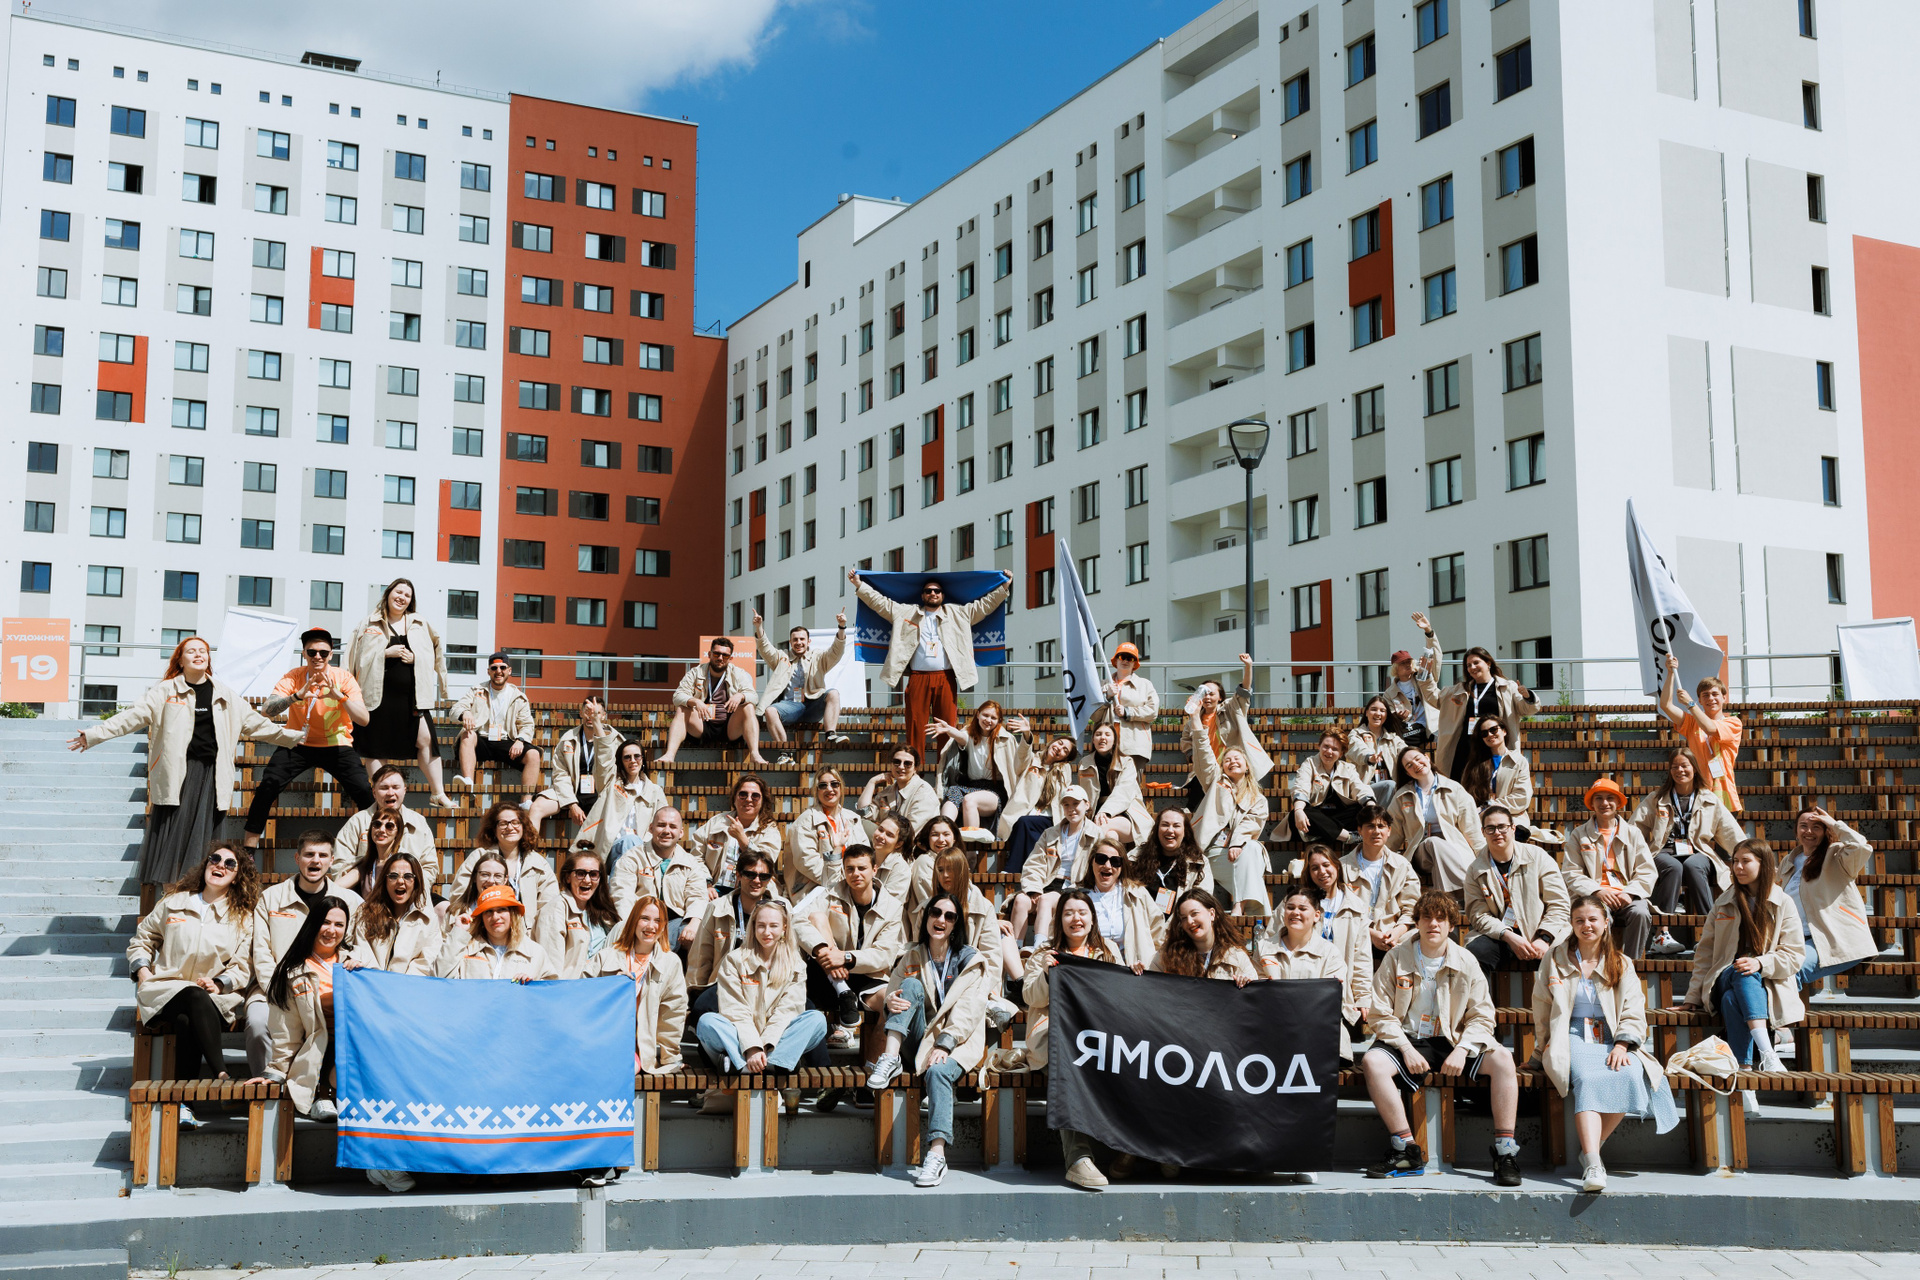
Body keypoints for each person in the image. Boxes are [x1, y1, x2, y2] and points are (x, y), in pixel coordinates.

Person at [71, 636, 302, 886]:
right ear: (180, 660)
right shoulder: (165, 691)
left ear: (208, 659)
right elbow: (131, 717)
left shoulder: (224, 694)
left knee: (205, 841)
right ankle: (172, 896)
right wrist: (94, 735)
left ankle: (199, 893)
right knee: (174, 841)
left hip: (213, 776)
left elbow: (258, 725)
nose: (198, 654)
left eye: (203, 651)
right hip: (178, 774)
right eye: (191, 651)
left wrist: (295, 737)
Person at [1361, 891, 1522, 1186]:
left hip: (1453, 1039)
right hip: (1408, 1038)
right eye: (1426, 917)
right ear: (1417, 922)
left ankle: (1505, 1152)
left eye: (1440, 918)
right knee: (1372, 1061)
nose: (1433, 923)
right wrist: (1405, 1048)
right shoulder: (1396, 957)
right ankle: (1406, 1150)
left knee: (1502, 1058)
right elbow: (1380, 1013)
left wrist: (1463, 1049)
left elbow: (1483, 1015)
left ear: (1451, 925)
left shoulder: (1466, 960)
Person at [1533, 894, 1678, 1194]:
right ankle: (1593, 1165)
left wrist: (1623, 1044)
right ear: (1571, 924)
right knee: (1587, 1078)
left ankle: (1592, 1148)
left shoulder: (1620, 962)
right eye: (1579, 920)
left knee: (1630, 1074)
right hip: (1571, 1034)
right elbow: (1542, 1006)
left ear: (1606, 922)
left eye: (1592, 919)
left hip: (1612, 1036)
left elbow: (1634, 1009)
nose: (1586, 925)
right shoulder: (1555, 958)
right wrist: (1540, 1050)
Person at [865, 891, 994, 1188]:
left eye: (949, 916)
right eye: (936, 912)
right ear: (926, 917)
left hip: (956, 1042)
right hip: (918, 1040)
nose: (941, 920)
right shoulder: (912, 954)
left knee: (937, 1072)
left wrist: (944, 1043)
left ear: (956, 924)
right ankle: (891, 1058)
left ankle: (937, 1155)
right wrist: (891, 1001)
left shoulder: (971, 960)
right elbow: (894, 993)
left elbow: (969, 1011)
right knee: (909, 985)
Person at [128, 842, 258, 1122]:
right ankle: (221, 1075)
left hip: (214, 997)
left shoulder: (243, 917)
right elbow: (142, 939)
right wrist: (142, 971)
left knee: (187, 1019)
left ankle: (184, 1106)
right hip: (166, 989)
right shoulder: (174, 902)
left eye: (230, 864)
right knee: (191, 995)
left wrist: (220, 983)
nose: (220, 865)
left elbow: (244, 964)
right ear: (206, 864)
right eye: (215, 859)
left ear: (237, 876)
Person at [1675, 840, 1800, 1109]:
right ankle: (1767, 1052)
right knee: (1741, 971)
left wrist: (1761, 963)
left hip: (1767, 982)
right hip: (1724, 976)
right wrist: (1693, 996)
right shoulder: (1724, 901)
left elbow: (1794, 955)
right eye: (1735, 861)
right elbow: (1705, 954)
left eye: (1746, 861)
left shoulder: (1783, 902)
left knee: (1732, 999)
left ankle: (1744, 1077)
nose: (1738, 867)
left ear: (1763, 864)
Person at [1020, 889, 1126, 1190]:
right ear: (1059, 920)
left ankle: (1133, 1150)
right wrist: (1047, 974)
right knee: (1067, 1063)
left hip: (1098, 1039)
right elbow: (1030, 997)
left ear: (1092, 919)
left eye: (1082, 912)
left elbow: (1120, 997)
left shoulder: (1107, 951)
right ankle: (1078, 1159)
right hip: (1054, 1041)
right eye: (1068, 913)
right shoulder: (1043, 953)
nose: (1075, 919)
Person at [850, 569, 1013, 757]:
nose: (933, 593)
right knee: (915, 725)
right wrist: (859, 584)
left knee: (947, 725)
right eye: (928, 591)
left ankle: (945, 768)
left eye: (937, 591)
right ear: (922, 595)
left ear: (943, 595)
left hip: (946, 677)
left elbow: (984, 606)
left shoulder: (958, 613)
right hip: (918, 677)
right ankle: (913, 768)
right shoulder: (906, 612)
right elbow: (880, 603)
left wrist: (1004, 586)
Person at [243, 630, 374, 853]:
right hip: (297, 743)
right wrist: (296, 696)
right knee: (267, 786)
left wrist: (340, 696)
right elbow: (266, 711)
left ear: (331, 654)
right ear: (304, 653)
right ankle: (248, 853)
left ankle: (375, 850)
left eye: (323, 652)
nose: (317, 656)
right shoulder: (294, 676)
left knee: (364, 791)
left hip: (337, 744)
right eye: (312, 652)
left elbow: (364, 719)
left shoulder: (343, 678)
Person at [247, 831, 362, 1077]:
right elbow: (261, 951)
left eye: (322, 855)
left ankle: (323, 1084)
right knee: (258, 1024)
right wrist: (277, 987)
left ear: (332, 861)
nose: (315, 860)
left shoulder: (350, 901)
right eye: (309, 854)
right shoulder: (271, 898)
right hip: (274, 987)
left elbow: (357, 946)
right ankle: (269, 1086)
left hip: (325, 987)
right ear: (297, 858)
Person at [695, 899, 829, 1086]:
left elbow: (788, 1011)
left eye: (773, 926)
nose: (767, 932)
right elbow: (734, 1009)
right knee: (707, 1022)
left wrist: (764, 1046)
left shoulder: (796, 964)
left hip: (775, 1041)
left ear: (784, 928)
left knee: (817, 1020)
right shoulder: (734, 960)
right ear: (753, 927)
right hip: (740, 1037)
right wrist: (752, 1047)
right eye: (761, 926)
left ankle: (750, 1065)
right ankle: (771, 1065)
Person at [346, 577, 453, 808]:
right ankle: (382, 798)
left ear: (411, 600)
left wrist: (416, 658)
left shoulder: (420, 623)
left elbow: (435, 655)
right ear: (388, 594)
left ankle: (438, 794)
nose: (402, 597)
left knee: (426, 740)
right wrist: (385, 653)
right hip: (376, 696)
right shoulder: (369, 623)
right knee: (376, 748)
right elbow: (355, 658)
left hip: (412, 697)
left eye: (407, 595)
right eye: (398, 592)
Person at [1630, 747, 1744, 956]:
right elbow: (1634, 830)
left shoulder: (1709, 799)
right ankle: (1661, 935)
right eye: (1675, 767)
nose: (1679, 770)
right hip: (1663, 851)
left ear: (1694, 768)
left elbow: (1730, 832)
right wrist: (1633, 857)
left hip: (1698, 851)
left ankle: (1711, 934)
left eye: (1684, 766)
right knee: (1673, 867)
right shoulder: (1657, 798)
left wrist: (1749, 856)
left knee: (1693, 866)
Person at [796, 844, 905, 1052]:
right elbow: (798, 922)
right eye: (850, 869)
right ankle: (842, 989)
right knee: (816, 917)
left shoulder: (892, 906)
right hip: (827, 974)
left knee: (892, 1004)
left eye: (862, 868)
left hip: (868, 974)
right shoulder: (829, 894)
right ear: (844, 870)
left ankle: (874, 1066)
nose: (856, 874)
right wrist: (824, 951)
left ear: (874, 870)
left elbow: (884, 955)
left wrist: (846, 957)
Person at [257, 897, 352, 1121]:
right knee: (328, 1037)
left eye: (339, 925)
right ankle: (323, 1095)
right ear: (313, 923)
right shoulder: (292, 971)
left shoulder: (355, 961)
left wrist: (362, 973)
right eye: (325, 922)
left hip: (355, 1045)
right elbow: (286, 1030)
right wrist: (276, 1071)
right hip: (320, 1049)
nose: (332, 930)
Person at [1462, 807, 1570, 987]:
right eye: (1490, 828)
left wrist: (1544, 939)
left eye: (1502, 827)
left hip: (1542, 931)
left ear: (1513, 828)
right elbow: (1478, 915)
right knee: (1474, 953)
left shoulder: (1537, 857)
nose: (1497, 832)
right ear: (1483, 832)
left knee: (1567, 954)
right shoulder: (1475, 870)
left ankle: (1561, 1005)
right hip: (1502, 935)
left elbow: (1559, 904)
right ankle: (1481, 1005)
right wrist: (1508, 936)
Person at [1186, 696, 1271, 917]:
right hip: (1211, 851)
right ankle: (1259, 921)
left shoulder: (1258, 799)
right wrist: (1195, 718)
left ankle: (1239, 907)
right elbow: (1204, 753)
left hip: (1238, 852)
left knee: (1252, 848)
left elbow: (1251, 825)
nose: (1232, 761)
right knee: (1253, 878)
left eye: (1237, 759)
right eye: (1227, 760)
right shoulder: (1215, 781)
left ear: (1247, 767)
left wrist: (1236, 843)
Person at [588, 895, 689, 1078]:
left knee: (622, 1071)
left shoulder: (670, 963)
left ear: (664, 925)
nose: (651, 926)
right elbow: (583, 999)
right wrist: (610, 987)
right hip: (602, 1042)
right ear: (634, 921)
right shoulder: (605, 957)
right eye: (645, 918)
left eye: (657, 920)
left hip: (637, 1050)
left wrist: (669, 1058)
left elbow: (672, 1016)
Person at [448, 803, 560, 966]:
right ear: (494, 829)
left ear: (523, 827)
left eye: (515, 822)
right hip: (483, 936)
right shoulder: (478, 857)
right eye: (503, 823)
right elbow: (459, 897)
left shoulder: (538, 863)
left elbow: (549, 907)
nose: (510, 827)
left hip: (526, 938)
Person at [1260, 887, 1360, 1066]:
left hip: (1318, 1036)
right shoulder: (1263, 948)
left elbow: (1328, 1003)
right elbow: (1256, 994)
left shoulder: (1330, 953)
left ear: (1316, 915)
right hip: (1273, 1031)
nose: (1295, 912)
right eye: (1290, 907)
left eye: (1302, 908)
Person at [1782, 807, 1878, 993]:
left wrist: (1834, 824)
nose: (1809, 831)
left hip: (1832, 939)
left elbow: (1861, 846)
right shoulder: (1789, 861)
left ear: (1826, 831)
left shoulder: (1837, 855)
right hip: (1796, 938)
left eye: (1816, 827)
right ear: (1796, 831)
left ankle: (1779, 1014)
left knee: (1788, 971)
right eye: (1803, 826)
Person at [913, 847, 1023, 998]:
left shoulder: (984, 908)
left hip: (974, 987)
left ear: (962, 871)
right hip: (933, 985)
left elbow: (991, 960)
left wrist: (981, 993)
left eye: (950, 869)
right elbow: (918, 953)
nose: (945, 875)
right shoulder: (926, 909)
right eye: (940, 870)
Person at [1564, 779, 1656, 959]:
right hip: (1594, 896)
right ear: (1591, 803)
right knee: (1596, 916)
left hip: (1626, 895)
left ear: (1618, 803)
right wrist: (1596, 891)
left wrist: (1630, 893)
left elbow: (1647, 870)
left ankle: (1631, 963)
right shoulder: (1579, 834)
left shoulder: (1633, 833)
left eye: (1610, 798)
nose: (1604, 803)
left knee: (1640, 912)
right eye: (1598, 798)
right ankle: (1600, 962)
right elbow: (1571, 872)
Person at [753, 608, 853, 762]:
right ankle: (785, 754)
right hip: (790, 706)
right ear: (790, 642)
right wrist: (759, 627)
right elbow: (765, 648)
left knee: (833, 693)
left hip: (813, 705)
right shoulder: (782, 657)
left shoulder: (818, 656)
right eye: (795, 640)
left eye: (802, 639)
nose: (798, 642)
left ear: (808, 642)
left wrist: (841, 627)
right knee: (770, 711)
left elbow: (836, 651)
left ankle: (831, 735)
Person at [1298, 846, 1375, 1039]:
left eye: (1326, 865)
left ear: (1337, 867)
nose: (1322, 872)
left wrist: (1362, 997)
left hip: (1340, 994)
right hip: (1304, 988)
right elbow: (1273, 939)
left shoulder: (1356, 906)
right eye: (1314, 868)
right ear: (1309, 873)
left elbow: (1362, 957)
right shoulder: (1297, 903)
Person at [330, 766, 441, 900]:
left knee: (443, 907)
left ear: (404, 790)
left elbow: (430, 867)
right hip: (364, 894)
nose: (390, 792)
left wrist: (412, 890)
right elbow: (340, 865)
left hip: (410, 892)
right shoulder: (358, 821)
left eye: (395, 787)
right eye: (384, 788)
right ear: (374, 792)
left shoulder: (419, 822)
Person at [1433, 640, 1537, 782]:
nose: (1472, 667)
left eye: (1476, 662)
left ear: (1488, 663)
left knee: (1494, 784)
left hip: (1494, 743)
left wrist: (1527, 696)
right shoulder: (1459, 689)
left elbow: (1527, 709)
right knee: (1462, 785)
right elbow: (1433, 697)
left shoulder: (1507, 687)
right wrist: (1425, 673)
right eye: (1468, 665)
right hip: (1466, 746)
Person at [1385, 745, 1484, 893]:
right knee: (1434, 842)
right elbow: (1393, 834)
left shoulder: (1455, 789)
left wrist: (1484, 858)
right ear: (1407, 773)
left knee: (1440, 848)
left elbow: (1471, 828)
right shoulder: (1402, 796)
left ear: (1427, 758)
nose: (1416, 765)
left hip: (1454, 846)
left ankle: (1446, 898)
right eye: (1409, 765)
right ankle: (1467, 891)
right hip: (1421, 852)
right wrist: (1379, 858)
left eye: (1417, 759)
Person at [1177, 653, 1274, 805]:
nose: (1207, 697)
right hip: (1208, 766)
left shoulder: (1230, 708)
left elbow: (1244, 691)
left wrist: (1248, 666)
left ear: (1220, 697)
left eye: (1211, 694)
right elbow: (1186, 741)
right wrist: (1193, 756)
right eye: (1204, 694)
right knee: (1199, 790)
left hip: (1230, 765)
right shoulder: (1193, 720)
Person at [687, 850, 786, 997]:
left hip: (770, 984)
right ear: (738, 875)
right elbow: (701, 957)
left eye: (764, 876)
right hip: (726, 984)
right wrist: (694, 993)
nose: (757, 881)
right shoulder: (717, 908)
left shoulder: (783, 908)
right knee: (702, 1006)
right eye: (750, 874)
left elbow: (791, 953)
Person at [610, 807, 711, 948]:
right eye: (661, 825)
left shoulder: (691, 863)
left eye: (673, 827)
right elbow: (622, 896)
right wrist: (633, 927)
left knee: (697, 935)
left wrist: (694, 924)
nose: (666, 831)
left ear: (681, 832)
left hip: (675, 924)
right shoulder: (632, 858)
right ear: (651, 828)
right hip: (639, 922)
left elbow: (697, 897)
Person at [1658, 651, 1743, 815]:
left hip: (1724, 796)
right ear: (1700, 700)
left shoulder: (1733, 723)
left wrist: (1690, 704)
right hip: (1698, 794)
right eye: (1706, 695)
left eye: (1715, 694)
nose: (1711, 698)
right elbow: (1666, 706)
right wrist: (1670, 673)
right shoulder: (1692, 723)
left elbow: (1710, 728)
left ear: (1724, 698)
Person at [450, 653, 542, 803]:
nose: (498, 671)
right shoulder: (477, 690)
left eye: (502, 667)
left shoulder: (518, 696)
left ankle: (526, 802)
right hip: (481, 741)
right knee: (467, 734)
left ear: (509, 671)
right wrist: (465, 712)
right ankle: (468, 783)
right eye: (494, 668)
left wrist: (520, 740)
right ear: (488, 671)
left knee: (533, 755)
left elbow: (527, 724)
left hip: (506, 742)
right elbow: (455, 710)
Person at [662, 636, 765, 766]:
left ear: (730, 658)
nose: (720, 658)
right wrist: (695, 701)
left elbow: (754, 697)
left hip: (730, 726)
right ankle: (669, 755)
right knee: (682, 709)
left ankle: (755, 754)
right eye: (716, 654)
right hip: (702, 724)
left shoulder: (738, 673)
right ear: (709, 654)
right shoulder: (696, 672)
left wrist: (741, 696)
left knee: (748, 706)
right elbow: (677, 696)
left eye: (725, 655)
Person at [928, 701, 1030, 831]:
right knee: (953, 792)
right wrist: (949, 729)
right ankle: (942, 831)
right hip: (972, 786)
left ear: (999, 721)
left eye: (993, 718)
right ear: (978, 715)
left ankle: (972, 843)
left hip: (995, 790)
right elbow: (961, 737)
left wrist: (1027, 735)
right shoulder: (970, 735)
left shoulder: (1006, 739)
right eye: (985, 715)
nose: (988, 720)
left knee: (969, 800)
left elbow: (1022, 761)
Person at [1014, 787, 1097, 945]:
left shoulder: (1097, 834)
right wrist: (1034, 888)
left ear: (1087, 805)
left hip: (1075, 887)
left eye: (1076, 803)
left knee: (1046, 900)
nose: (1071, 809)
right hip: (1048, 883)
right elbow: (1034, 863)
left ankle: (1040, 947)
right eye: (1066, 805)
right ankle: (1015, 948)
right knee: (1020, 900)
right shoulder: (1050, 833)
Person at [576, 736, 668, 871]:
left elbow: (664, 823)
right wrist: (598, 725)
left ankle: (620, 881)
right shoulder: (611, 785)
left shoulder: (655, 791)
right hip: (613, 849)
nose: (633, 760)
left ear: (643, 759)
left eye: (637, 756)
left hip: (644, 850)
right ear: (621, 761)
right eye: (627, 757)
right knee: (630, 841)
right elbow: (603, 762)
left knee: (633, 846)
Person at [343, 852, 439, 976]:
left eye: (408, 876)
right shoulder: (365, 913)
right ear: (385, 881)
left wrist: (399, 983)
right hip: (372, 981)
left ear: (416, 881)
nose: (400, 881)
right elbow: (361, 951)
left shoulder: (429, 920)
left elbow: (426, 963)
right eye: (393, 876)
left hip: (408, 984)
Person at [1343, 804, 1420, 959]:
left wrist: (1397, 932)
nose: (1376, 831)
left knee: (1423, 937)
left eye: (1381, 826)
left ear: (1389, 831)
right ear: (1360, 830)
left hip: (1393, 932)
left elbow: (1412, 906)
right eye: (1370, 826)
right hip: (1355, 932)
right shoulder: (1342, 867)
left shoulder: (1402, 865)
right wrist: (1370, 933)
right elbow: (1340, 909)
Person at [689, 774, 784, 898]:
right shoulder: (717, 822)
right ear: (734, 798)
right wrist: (706, 883)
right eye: (743, 794)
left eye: (755, 796)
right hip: (715, 888)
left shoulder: (769, 829)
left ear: (762, 801)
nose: (748, 799)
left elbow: (764, 863)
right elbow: (697, 856)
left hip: (753, 888)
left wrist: (742, 839)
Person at [996, 735, 1080, 873]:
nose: (1059, 749)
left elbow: (1064, 792)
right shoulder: (1031, 760)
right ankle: (1035, 871)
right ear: (1052, 742)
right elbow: (1021, 757)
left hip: (1050, 818)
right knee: (1031, 832)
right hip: (1026, 813)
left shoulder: (1064, 769)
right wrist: (1027, 736)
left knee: (1025, 823)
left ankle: (1012, 868)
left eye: (1065, 750)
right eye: (1059, 743)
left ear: (1065, 758)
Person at [528, 696, 611, 834]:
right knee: (536, 807)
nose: (590, 716)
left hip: (600, 793)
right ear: (580, 713)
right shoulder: (568, 738)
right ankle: (528, 847)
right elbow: (560, 774)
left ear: (603, 716)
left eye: (595, 713)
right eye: (587, 712)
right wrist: (572, 804)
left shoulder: (613, 740)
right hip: (571, 790)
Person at [1080, 834, 1165, 970]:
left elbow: (1158, 932)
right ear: (1092, 862)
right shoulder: (1080, 897)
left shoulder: (1137, 894)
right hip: (1095, 971)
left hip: (1136, 971)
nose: (1107, 866)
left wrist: (1151, 965)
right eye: (1101, 859)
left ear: (1122, 866)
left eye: (1115, 861)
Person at [439, 885, 557, 981]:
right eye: (489, 911)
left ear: (513, 914)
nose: (495, 917)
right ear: (482, 918)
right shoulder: (465, 947)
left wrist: (533, 985)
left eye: (501, 910)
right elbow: (440, 976)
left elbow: (550, 991)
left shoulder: (535, 952)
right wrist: (458, 933)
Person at [1151, 888, 1258, 985]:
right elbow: (1151, 983)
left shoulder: (1236, 956)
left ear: (1212, 914)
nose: (1189, 921)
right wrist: (1141, 972)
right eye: (1183, 918)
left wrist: (1246, 982)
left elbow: (1254, 991)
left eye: (1194, 913)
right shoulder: (1169, 953)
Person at [787, 768, 866, 896]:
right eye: (823, 785)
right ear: (816, 791)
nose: (829, 789)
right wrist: (843, 883)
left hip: (852, 887)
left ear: (841, 788)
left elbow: (865, 855)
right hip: (816, 890)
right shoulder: (805, 821)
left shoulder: (853, 818)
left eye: (834, 784)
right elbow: (807, 863)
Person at [1079, 722, 1154, 850]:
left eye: (1107, 734)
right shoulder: (1084, 763)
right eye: (1098, 734)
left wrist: (1105, 811)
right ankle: (1115, 862)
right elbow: (1083, 795)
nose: (1103, 738)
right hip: (1095, 813)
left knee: (1103, 825)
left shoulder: (1126, 762)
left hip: (1126, 812)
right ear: (1093, 740)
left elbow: (1123, 792)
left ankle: (1084, 860)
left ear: (1114, 741)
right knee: (1110, 835)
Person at [1290, 728, 1371, 845]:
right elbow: (1301, 787)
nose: (1329, 751)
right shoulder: (1309, 764)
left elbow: (1360, 788)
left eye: (1335, 749)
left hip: (1338, 817)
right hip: (1315, 817)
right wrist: (1298, 810)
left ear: (1341, 753)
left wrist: (1371, 806)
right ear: (1319, 746)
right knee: (1300, 812)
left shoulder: (1348, 768)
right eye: (1326, 746)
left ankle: (1325, 834)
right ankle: (1348, 836)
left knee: (1361, 809)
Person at [1130, 808, 1213, 921]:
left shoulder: (1198, 862)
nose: (1170, 830)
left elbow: (1202, 901)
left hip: (1180, 926)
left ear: (1185, 831)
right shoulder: (1135, 857)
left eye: (1176, 826)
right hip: (1142, 924)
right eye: (1165, 825)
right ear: (1157, 829)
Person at [1089, 641, 1159, 776]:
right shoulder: (1102, 685)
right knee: (1106, 784)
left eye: (1130, 658)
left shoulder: (1145, 685)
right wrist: (1107, 698)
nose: (1126, 661)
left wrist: (1128, 712)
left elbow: (1152, 712)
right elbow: (1093, 715)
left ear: (1135, 663)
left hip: (1134, 744)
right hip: (1106, 744)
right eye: (1122, 657)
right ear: (1115, 660)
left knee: (1131, 785)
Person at [554, 850, 623, 979]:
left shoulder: (603, 911)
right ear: (568, 877)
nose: (587, 880)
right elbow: (551, 961)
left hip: (601, 978)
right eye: (580, 874)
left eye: (593, 874)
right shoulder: (556, 909)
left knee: (624, 926)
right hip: (572, 981)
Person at [1461, 718, 1533, 826]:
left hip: (1512, 818)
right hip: (1481, 820)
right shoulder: (1474, 765)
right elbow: (1466, 797)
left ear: (1504, 731)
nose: (1490, 735)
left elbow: (1522, 797)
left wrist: (1489, 805)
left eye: (1493, 730)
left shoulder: (1518, 761)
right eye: (1484, 733)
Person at [858, 745, 941, 836]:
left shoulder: (924, 793)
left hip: (910, 842)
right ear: (891, 765)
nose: (901, 767)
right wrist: (872, 782)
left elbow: (910, 833)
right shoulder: (888, 791)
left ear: (915, 768)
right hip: (889, 839)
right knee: (857, 823)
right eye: (896, 762)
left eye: (907, 764)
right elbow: (863, 814)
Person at [1391, 615, 1444, 748]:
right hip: (1407, 728)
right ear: (1395, 668)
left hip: (1430, 727)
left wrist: (1428, 632)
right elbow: (1390, 718)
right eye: (1403, 663)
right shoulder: (1390, 693)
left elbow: (1435, 656)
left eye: (1409, 661)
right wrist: (1398, 717)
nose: (1407, 664)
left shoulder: (1422, 678)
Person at [1348, 694, 1409, 806]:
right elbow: (1357, 749)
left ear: (1386, 715)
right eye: (1373, 709)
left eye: (1382, 711)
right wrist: (1369, 757)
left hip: (1391, 788)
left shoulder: (1393, 738)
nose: (1378, 713)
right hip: (1365, 788)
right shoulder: (1356, 734)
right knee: (1390, 785)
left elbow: (1406, 752)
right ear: (1366, 712)